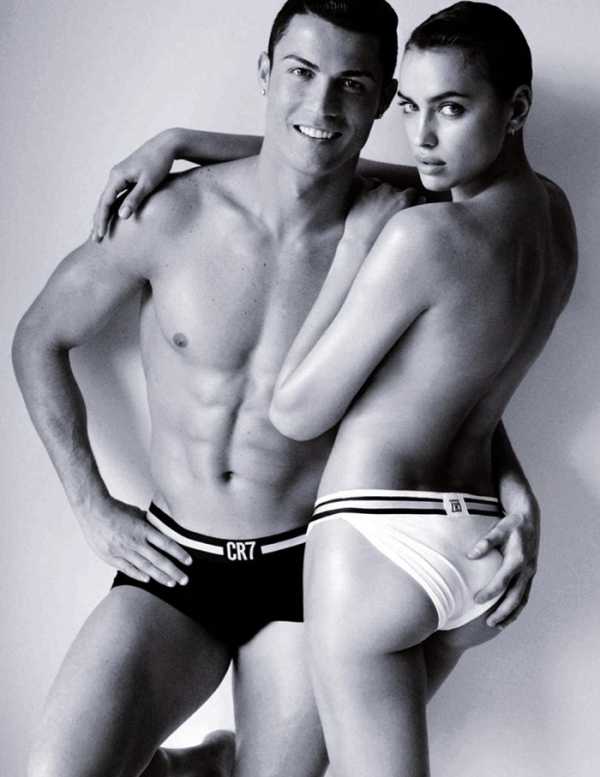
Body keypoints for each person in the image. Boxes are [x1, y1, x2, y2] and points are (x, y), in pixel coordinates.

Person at [12, 2, 540, 777]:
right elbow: (38, 337)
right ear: (266, 71)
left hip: (308, 571)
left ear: (382, 99)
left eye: (352, 84)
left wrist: (518, 496)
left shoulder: (397, 232)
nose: (322, 105)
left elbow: (452, 394)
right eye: (300, 71)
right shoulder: (170, 214)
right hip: (176, 564)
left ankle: (222, 761)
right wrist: (92, 503)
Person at [266, 3, 576, 776]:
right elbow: (463, 390)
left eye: (451, 108)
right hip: (481, 543)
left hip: (375, 545)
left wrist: (354, 249)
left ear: (516, 108)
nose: (422, 137)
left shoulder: (422, 238)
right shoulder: (557, 219)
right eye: (409, 106)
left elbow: (296, 410)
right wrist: (186, 142)